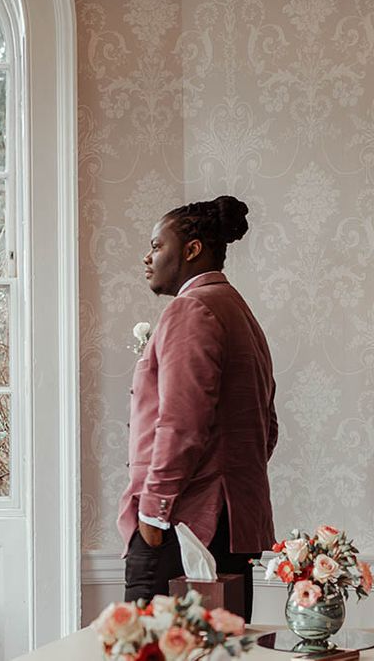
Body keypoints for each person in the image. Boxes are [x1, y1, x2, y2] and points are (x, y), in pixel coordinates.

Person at [117, 195, 278, 622]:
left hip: (183, 527)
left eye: (157, 246)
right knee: (222, 651)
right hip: (232, 527)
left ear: (191, 250)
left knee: (152, 648)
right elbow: (267, 427)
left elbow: (181, 425)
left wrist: (154, 513)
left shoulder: (191, 309)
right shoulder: (240, 313)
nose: (147, 257)